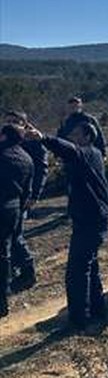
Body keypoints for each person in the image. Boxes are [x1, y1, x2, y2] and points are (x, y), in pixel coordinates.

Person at [26, 121, 108, 331]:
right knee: (90, 266)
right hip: (92, 217)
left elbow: (69, 150)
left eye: (76, 134)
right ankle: (97, 310)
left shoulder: (87, 153)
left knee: (76, 271)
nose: (72, 137)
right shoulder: (91, 155)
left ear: (87, 137)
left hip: (91, 219)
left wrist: (43, 138)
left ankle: (78, 320)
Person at [4, 110, 48, 293]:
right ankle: (12, 270)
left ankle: (28, 270)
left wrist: (34, 196)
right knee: (10, 238)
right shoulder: (8, 141)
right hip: (8, 197)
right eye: (8, 122)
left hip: (22, 197)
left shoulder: (34, 143)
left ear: (24, 123)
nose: (12, 124)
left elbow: (41, 171)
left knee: (16, 236)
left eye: (16, 121)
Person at [0, 124, 33, 319]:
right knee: (4, 253)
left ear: (4, 137)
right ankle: (2, 300)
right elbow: (27, 189)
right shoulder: (26, 158)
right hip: (13, 210)